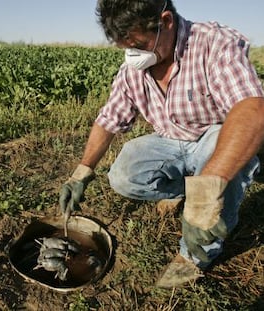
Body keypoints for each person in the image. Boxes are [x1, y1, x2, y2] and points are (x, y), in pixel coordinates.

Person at [59, 0, 264, 288]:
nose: (133, 55)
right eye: (125, 47)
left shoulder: (212, 43)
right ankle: (186, 190)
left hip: (215, 139)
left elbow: (252, 110)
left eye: (139, 44)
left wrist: (208, 188)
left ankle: (196, 255)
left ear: (166, 21)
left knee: (218, 161)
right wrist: (82, 170)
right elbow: (108, 119)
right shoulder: (134, 69)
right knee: (123, 174)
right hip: (171, 140)